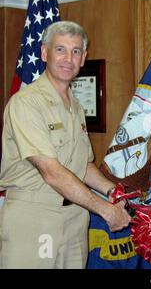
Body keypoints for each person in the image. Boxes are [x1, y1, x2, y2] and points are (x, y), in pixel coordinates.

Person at [0, 21, 131, 269]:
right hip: (35, 218)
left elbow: (83, 165)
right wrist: (105, 210)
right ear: (44, 53)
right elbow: (51, 172)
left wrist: (112, 191)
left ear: (84, 59)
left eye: (76, 51)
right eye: (60, 49)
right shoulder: (26, 103)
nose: (68, 58)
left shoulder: (75, 106)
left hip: (74, 219)